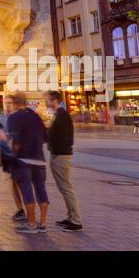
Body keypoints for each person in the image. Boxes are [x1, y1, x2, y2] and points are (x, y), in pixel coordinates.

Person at [6, 92, 49, 233]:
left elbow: (13, 139)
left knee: (27, 191)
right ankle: (42, 223)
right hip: (39, 159)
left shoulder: (14, 117)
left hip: (23, 159)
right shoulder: (36, 116)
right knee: (41, 189)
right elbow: (46, 137)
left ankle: (31, 224)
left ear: (15, 103)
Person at [45, 90, 83, 232]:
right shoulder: (58, 114)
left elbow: (59, 136)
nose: (46, 102)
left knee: (66, 188)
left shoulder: (62, 115)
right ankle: (71, 217)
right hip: (58, 154)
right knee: (64, 188)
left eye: (48, 100)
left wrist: (46, 133)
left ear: (54, 100)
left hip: (61, 155)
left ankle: (76, 221)